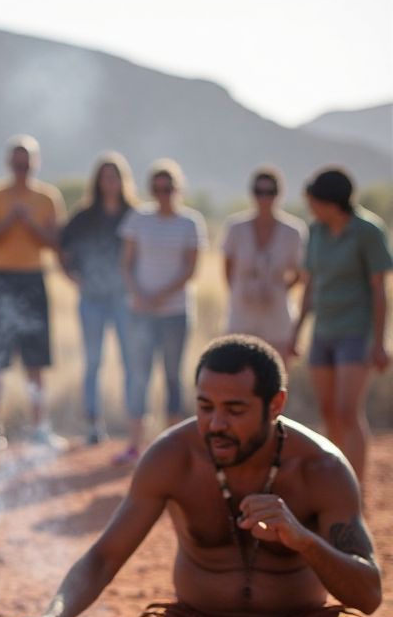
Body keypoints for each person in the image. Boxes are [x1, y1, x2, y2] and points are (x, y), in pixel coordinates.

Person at [0, 335, 392, 617]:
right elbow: (104, 558)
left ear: (275, 404)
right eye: (205, 407)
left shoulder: (322, 468)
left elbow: (367, 593)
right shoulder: (173, 456)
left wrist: (304, 541)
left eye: (235, 410)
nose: (216, 424)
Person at [291, 168, 391, 484]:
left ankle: (356, 488)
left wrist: (379, 341)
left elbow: (379, 290)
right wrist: (297, 330)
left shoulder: (367, 231)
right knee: (330, 412)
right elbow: (310, 285)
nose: (311, 208)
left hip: (355, 333)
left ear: (330, 202)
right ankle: (336, 483)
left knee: (348, 412)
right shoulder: (316, 232)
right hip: (323, 332)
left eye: (314, 202)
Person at [0, 135, 65, 449]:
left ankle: (39, 426)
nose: (21, 167)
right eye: (16, 161)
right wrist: (9, 220)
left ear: (35, 163)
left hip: (33, 279)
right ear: (9, 163)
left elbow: (55, 243)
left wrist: (29, 223)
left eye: (26, 162)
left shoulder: (47, 197)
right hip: (1, 279)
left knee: (36, 360)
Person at [117, 160, 207, 464]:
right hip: (140, 312)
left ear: (177, 189)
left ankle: (174, 448)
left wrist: (160, 295)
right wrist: (139, 294)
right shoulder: (138, 219)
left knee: (172, 376)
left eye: (168, 188)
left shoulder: (190, 223)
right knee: (138, 376)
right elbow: (126, 263)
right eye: (157, 188)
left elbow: (191, 268)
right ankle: (134, 445)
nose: (162, 193)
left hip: (175, 313)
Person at [60, 152, 138, 446]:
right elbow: (63, 250)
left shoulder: (134, 214)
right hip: (91, 298)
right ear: (97, 181)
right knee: (93, 361)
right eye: (105, 176)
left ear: (122, 180)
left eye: (114, 176)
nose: (109, 182)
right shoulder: (83, 216)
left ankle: (134, 423)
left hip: (123, 299)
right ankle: (93, 423)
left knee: (130, 361)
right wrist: (74, 276)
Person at [221, 167, 306, 360]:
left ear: (278, 194)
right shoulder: (235, 227)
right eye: (259, 192)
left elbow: (301, 273)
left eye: (270, 192)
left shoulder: (293, 231)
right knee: (236, 370)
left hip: (277, 315)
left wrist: (280, 288)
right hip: (241, 313)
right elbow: (227, 267)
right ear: (252, 194)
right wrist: (241, 290)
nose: (264, 198)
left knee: (276, 375)